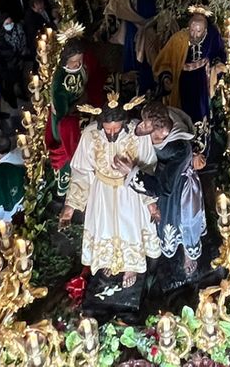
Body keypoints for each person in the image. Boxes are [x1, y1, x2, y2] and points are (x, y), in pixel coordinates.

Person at [59, 96, 159, 287]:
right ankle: (108, 258)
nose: (112, 132)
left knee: (130, 226)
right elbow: (82, 171)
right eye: (108, 128)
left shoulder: (138, 133)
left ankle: (130, 264)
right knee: (104, 225)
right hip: (102, 190)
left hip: (130, 190)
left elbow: (148, 166)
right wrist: (71, 206)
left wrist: (150, 203)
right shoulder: (90, 135)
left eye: (116, 128)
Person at [140, 106, 206, 281]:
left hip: (178, 186)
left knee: (186, 218)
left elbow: (165, 187)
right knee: (165, 219)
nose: (156, 139)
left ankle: (188, 250)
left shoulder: (178, 146)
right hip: (163, 176)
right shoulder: (156, 118)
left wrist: (133, 174)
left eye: (160, 135)